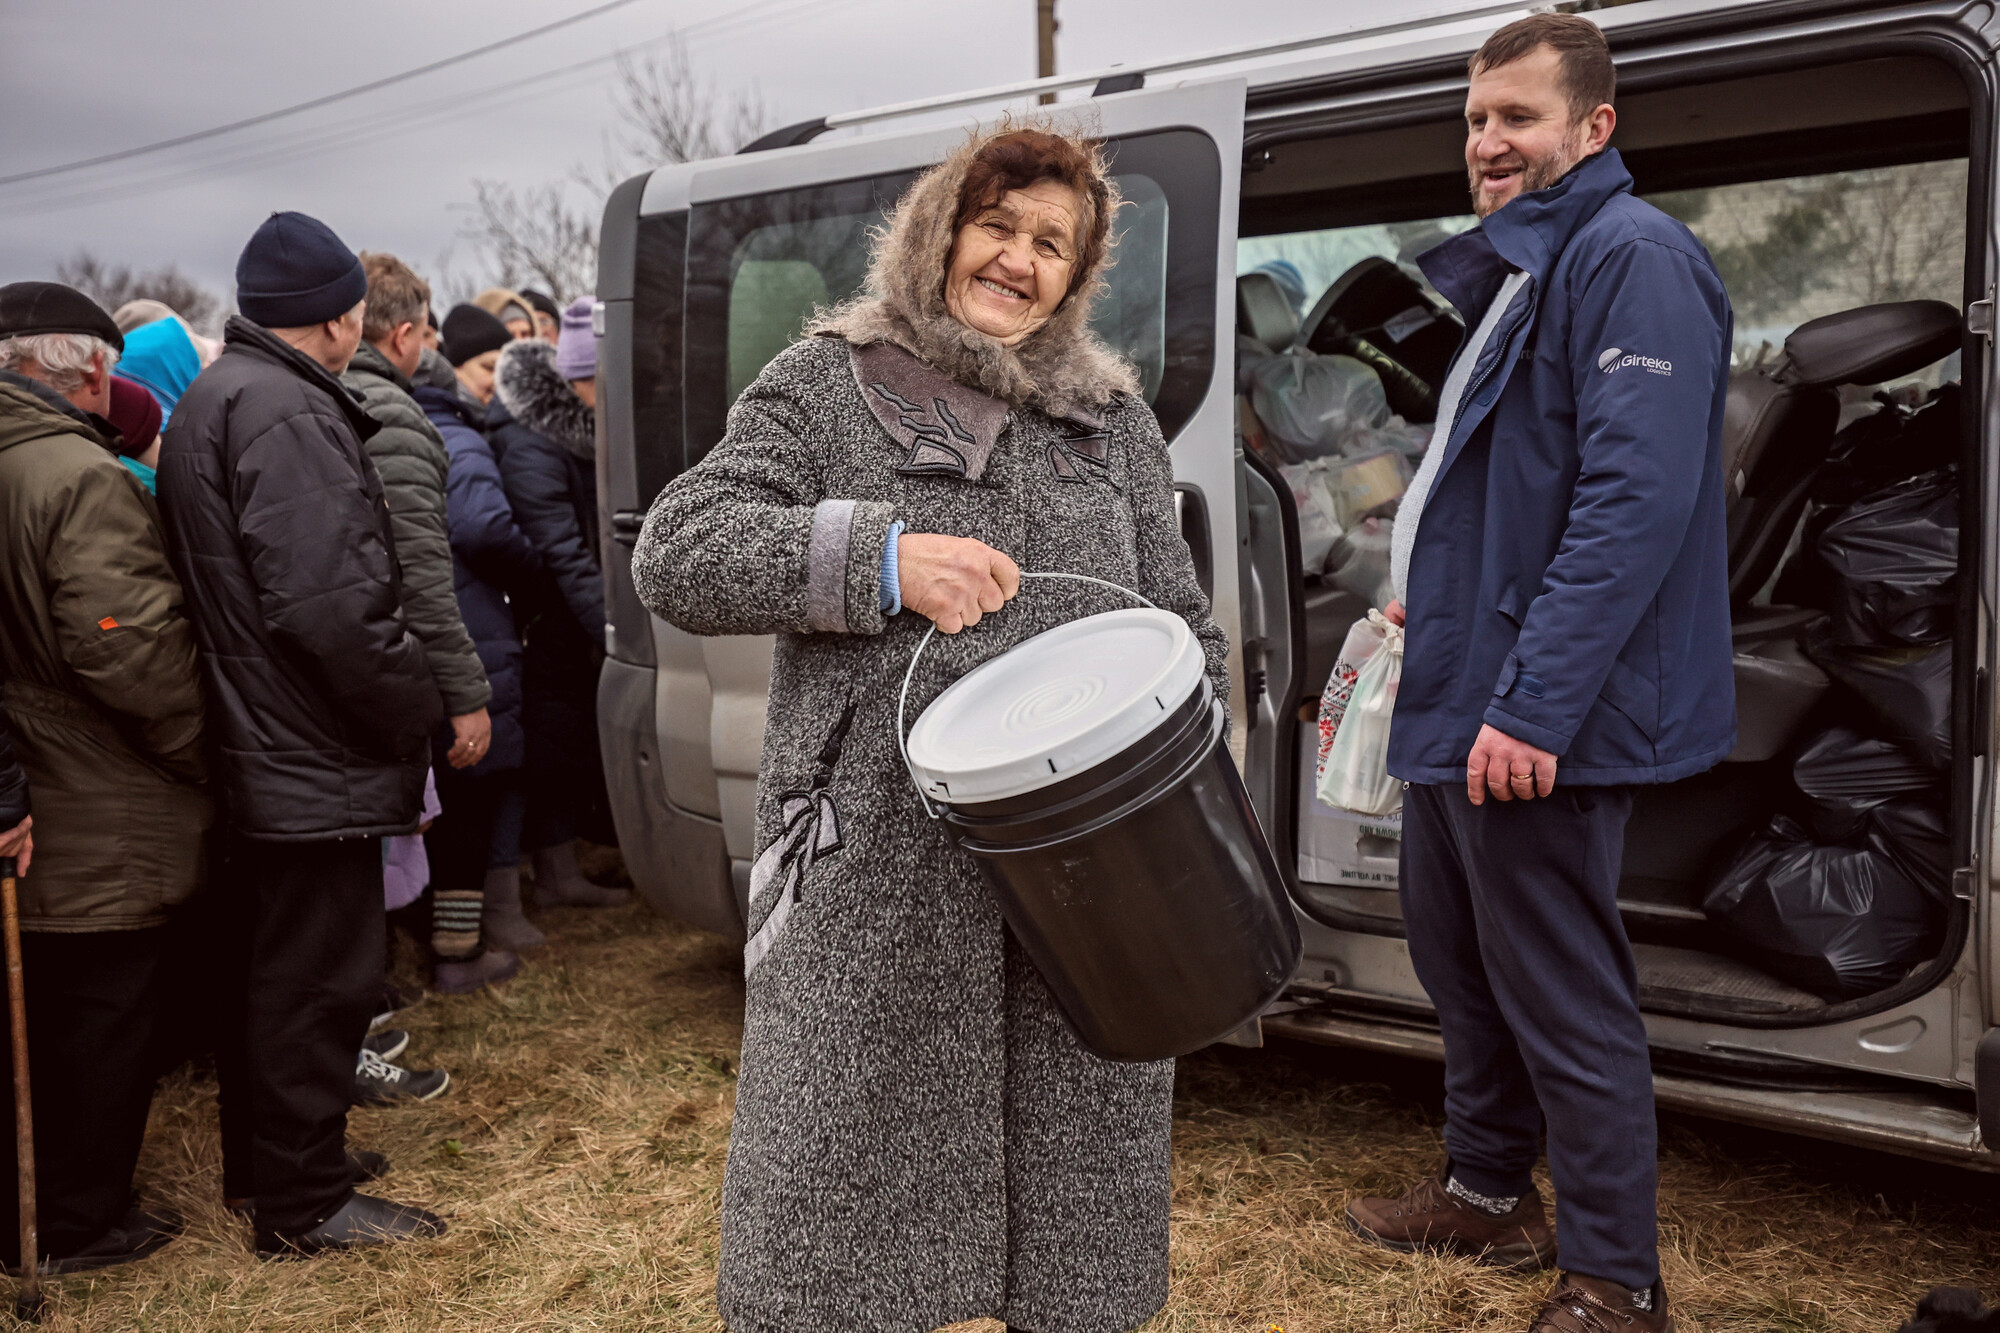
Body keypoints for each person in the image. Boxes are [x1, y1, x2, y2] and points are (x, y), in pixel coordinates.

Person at [632, 123, 1227, 1333]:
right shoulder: (826, 381)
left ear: (1078, 271)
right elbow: (679, 551)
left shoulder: (1108, 424)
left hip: (1092, 874)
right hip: (877, 877)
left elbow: (1179, 618)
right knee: (840, 1212)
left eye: (1050, 244)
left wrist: (1183, 762)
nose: (1016, 261)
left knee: (1078, 1211)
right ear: (939, 229)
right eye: (995, 226)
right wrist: (880, 559)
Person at [1346, 17, 1734, 1333]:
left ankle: (1617, 1281)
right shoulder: (1530, 265)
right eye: (1476, 119)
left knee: (1562, 990)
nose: (1489, 142)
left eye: (1517, 116)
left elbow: (1633, 503)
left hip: (1531, 708)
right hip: (1465, 680)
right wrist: (1429, 594)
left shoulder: (1632, 259)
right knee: (1465, 964)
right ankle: (1487, 1189)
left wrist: (1534, 701)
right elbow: (1510, 479)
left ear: (1592, 129)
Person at [157, 210, 448, 1257]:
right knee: (316, 978)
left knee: (276, 973)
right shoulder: (284, 411)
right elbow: (331, 605)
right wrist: (409, 704)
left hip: (268, 741)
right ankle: (303, 1201)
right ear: (339, 317)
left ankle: (278, 1163)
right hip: (308, 747)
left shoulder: (223, 394)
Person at [0, 281, 211, 1273]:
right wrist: (200, 745)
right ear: (92, 371)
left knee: (37, 1017)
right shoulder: (76, 476)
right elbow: (126, 647)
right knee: (98, 1015)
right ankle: (80, 1218)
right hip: (89, 795)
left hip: (26, 789)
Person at [341, 251, 517, 995]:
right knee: (429, 803)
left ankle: (375, 978)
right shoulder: (399, 420)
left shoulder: (318, 398)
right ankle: (415, 966)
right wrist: (465, 694)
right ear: (407, 334)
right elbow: (422, 572)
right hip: (393, 658)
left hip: (337, 660)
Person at [489, 302, 626, 908]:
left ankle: (565, 867)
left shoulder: (572, 431)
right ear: (577, 379)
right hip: (550, 622)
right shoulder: (531, 446)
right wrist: (611, 627)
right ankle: (555, 874)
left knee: (567, 736)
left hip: (570, 618)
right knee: (554, 741)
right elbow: (563, 550)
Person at [412, 349, 546, 953]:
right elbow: (484, 527)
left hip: (436, 631)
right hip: (474, 627)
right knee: (482, 779)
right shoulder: (457, 437)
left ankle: (453, 932)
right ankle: (465, 943)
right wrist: (532, 574)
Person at [441, 303, 509, 406]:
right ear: (457, 369)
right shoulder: (442, 418)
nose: (500, 380)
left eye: (505, 370)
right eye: (490, 368)